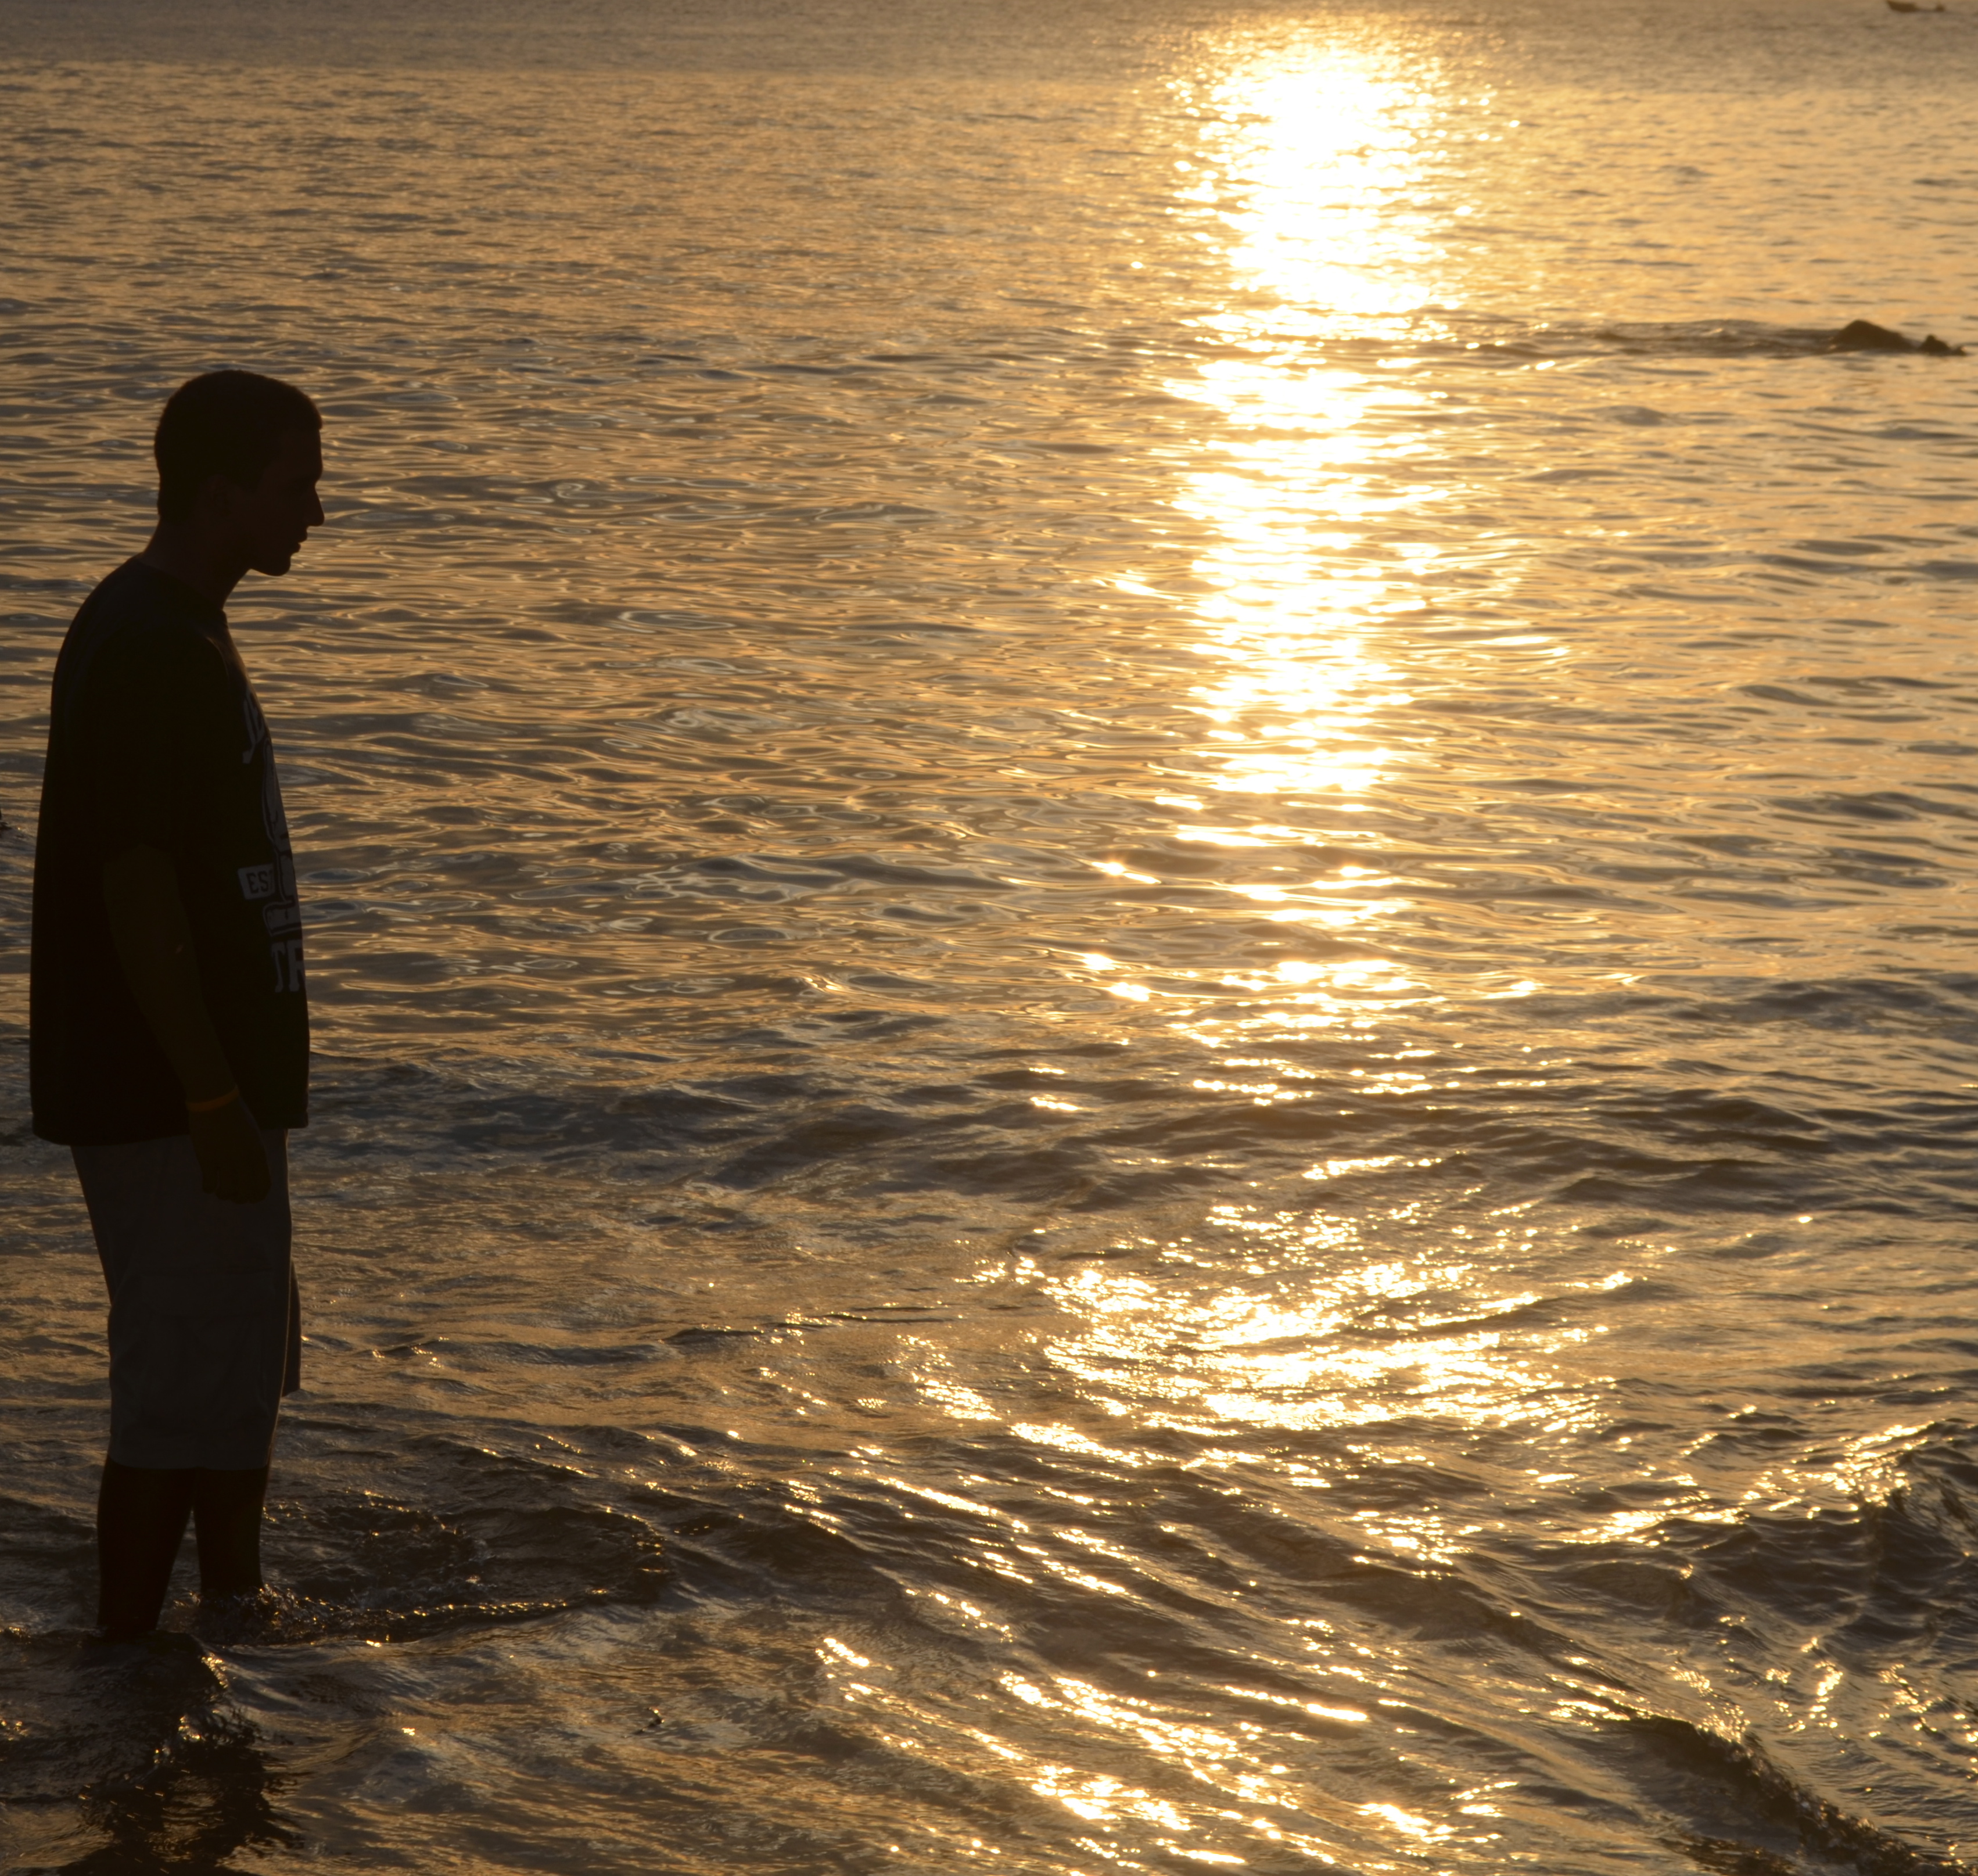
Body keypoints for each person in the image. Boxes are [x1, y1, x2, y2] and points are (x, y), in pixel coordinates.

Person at [30, 369, 325, 1643]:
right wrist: (207, 1092)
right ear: (218, 495)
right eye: (294, 485)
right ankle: (128, 1660)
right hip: (168, 1099)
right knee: (176, 1386)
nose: (316, 511)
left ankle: (232, 1623)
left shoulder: (172, 624)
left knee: (233, 1372)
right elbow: (136, 880)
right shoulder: (155, 645)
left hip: (208, 1092)